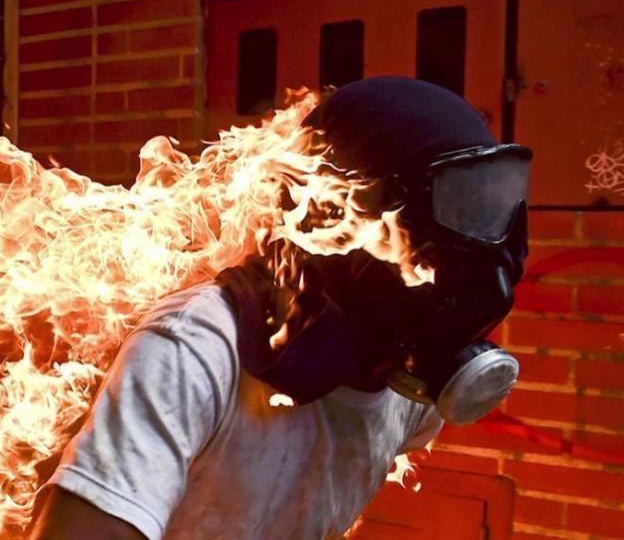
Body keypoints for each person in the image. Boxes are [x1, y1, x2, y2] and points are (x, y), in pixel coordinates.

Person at [28, 77, 532, 540]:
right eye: (459, 205)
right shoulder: (195, 350)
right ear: (336, 211)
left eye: (492, 207)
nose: (485, 244)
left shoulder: (409, 390)